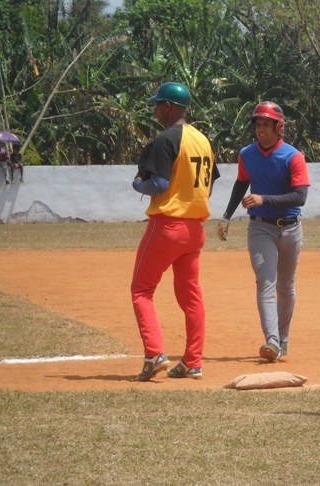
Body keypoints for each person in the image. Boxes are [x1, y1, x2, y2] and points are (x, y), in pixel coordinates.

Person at [131, 81, 220, 382]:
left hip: (167, 225)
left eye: (158, 104)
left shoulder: (166, 139)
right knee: (191, 297)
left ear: (169, 107)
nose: (155, 109)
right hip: (195, 229)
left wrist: (136, 184)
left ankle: (155, 352)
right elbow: (209, 181)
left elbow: (157, 185)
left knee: (142, 291)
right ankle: (193, 361)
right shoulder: (203, 140)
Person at [217, 101, 310, 363]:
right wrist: (226, 216)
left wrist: (263, 199)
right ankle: (271, 341)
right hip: (260, 227)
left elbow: (300, 197)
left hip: (291, 228)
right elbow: (241, 184)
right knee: (265, 283)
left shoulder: (293, 156)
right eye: (257, 124)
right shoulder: (246, 154)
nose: (260, 129)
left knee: (286, 285)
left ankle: (283, 339)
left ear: (278, 127)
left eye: (265, 124)